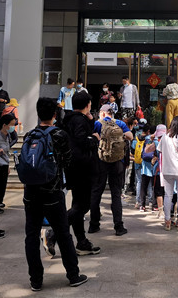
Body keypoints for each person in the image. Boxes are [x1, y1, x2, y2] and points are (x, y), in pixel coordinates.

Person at [23, 97, 88, 291]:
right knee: (63, 234)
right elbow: (67, 161)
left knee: (31, 235)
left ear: (38, 113)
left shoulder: (29, 135)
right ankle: (73, 275)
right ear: (54, 114)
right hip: (52, 191)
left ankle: (35, 280)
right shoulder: (60, 134)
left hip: (30, 192)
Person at [58, 91, 101, 255]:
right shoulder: (79, 121)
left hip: (73, 167)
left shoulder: (69, 119)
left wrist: (90, 121)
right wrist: (95, 139)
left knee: (78, 205)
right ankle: (53, 233)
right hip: (83, 168)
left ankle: (82, 242)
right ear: (87, 105)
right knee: (83, 206)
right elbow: (82, 141)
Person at [89, 104, 132, 236]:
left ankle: (94, 225)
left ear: (102, 113)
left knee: (96, 193)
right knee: (116, 194)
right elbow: (130, 136)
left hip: (101, 161)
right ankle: (118, 227)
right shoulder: (119, 123)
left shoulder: (97, 124)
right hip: (117, 163)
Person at [138, 125, 157, 211]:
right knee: (154, 186)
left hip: (145, 165)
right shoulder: (157, 140)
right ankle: (154, 205)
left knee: (143, 186)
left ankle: (142, 205)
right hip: (154, 166)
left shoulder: (145, 138)